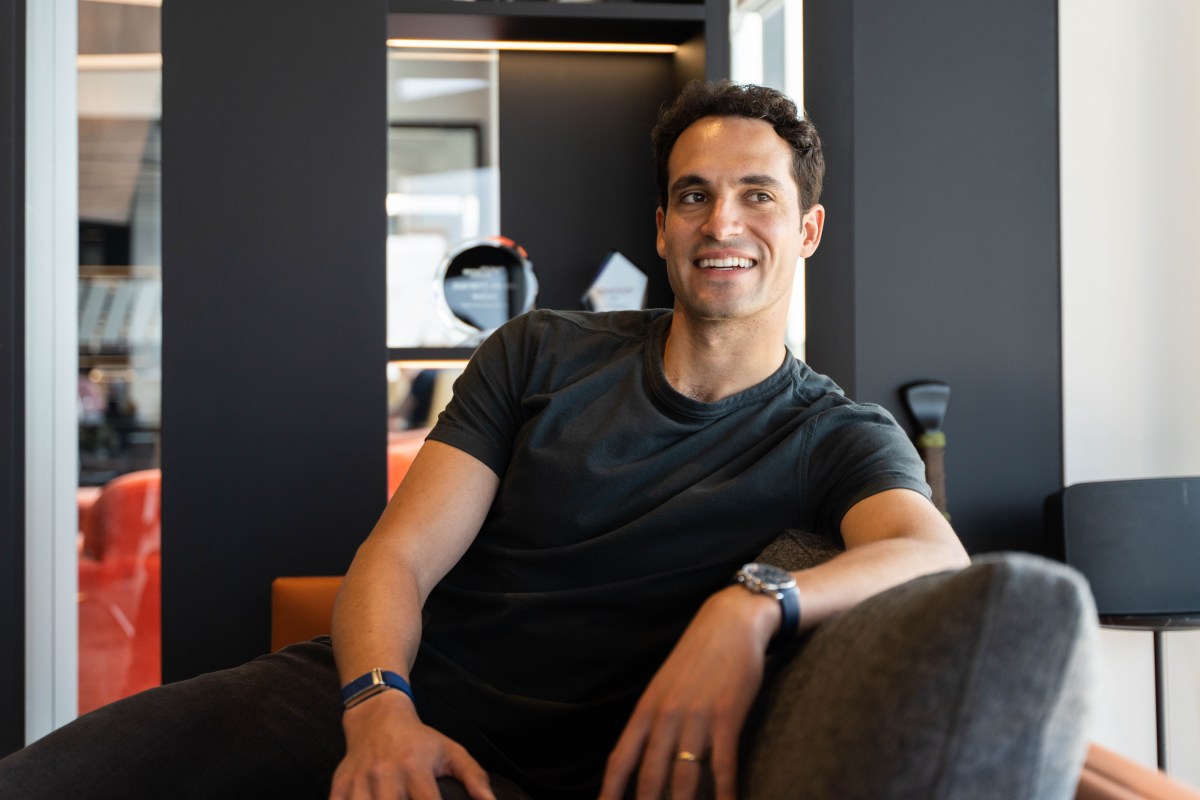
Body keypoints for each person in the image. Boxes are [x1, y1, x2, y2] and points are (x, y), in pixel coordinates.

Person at [0, 80, 1093, 800]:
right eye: (694, 196)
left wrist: (750, 604)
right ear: (661, 226)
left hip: (526, 776)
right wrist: (378, 709)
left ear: (805, 229)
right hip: (363, 696)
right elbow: (398, 557)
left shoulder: (834, 434)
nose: (722, 223)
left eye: (757, 196)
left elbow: (932, 552)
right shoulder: (541, 351)